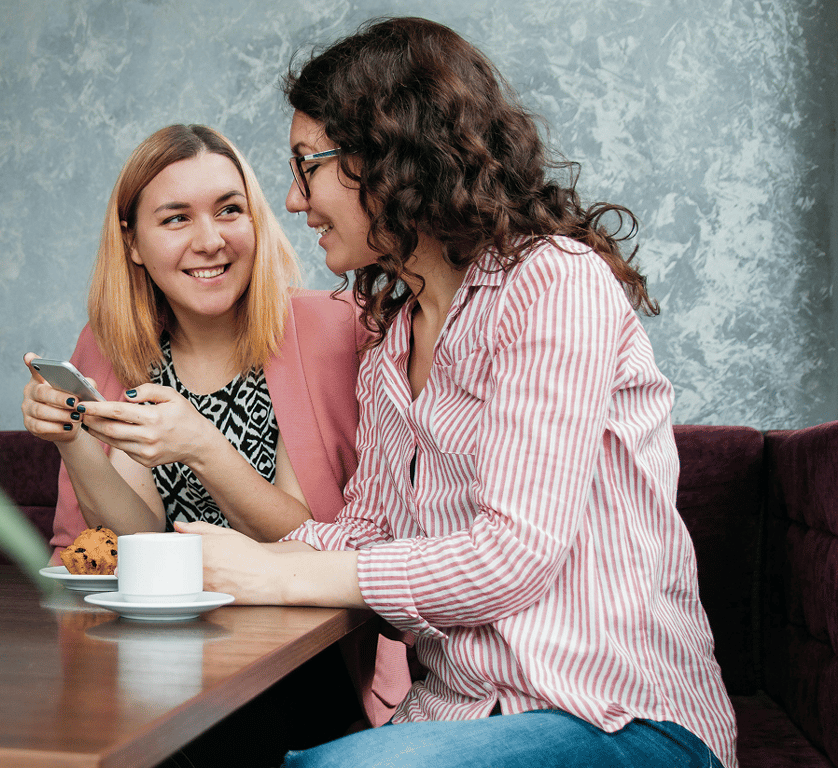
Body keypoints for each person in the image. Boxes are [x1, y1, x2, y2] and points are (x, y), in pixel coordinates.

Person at [179, 17, 738, 768]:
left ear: (391, 156)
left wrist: (281, 573)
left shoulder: (552, 283)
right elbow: (369, 536)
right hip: (460, 714)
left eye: (308, 165)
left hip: (620, 718)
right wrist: (216, 559)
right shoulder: (390, 345)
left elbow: (512, 555)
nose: (292, 198)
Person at [20, 123, 412, 734]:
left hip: (311, 666)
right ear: (134, 244)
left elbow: (318, 544)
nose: (211, 241)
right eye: (176, 219)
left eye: (230, 211)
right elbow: (135, 536)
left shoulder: (334, 330)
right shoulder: (109, 347)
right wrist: (75, 444)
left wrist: (202, 446)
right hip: (155, 660)